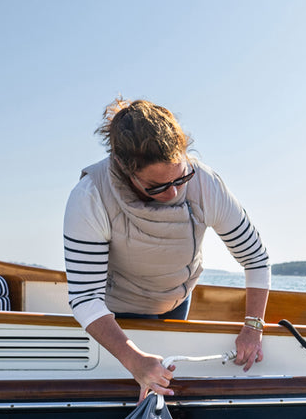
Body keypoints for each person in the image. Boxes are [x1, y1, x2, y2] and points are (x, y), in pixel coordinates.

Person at [63, 98, 270, 400]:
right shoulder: (90, 196)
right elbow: (85, 298)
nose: (173, 192)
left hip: (177, 300)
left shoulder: (205, 184)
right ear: (123, 167)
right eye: (157, 187)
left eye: (180, 178)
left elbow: (256, 258)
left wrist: (253, 327)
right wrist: (132, 359)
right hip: (120, 312)